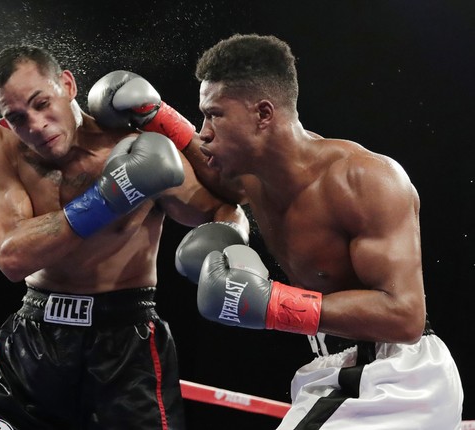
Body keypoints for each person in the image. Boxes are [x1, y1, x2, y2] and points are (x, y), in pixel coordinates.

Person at [175, 33, 464, 429]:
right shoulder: (252, 178)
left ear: (263, 114)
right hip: (334, 368)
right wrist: (155, 114)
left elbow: (406, 316)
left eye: (215, 115)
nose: (203, 131)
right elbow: (203, 163)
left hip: (396, 376)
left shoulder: (365, 180)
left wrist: (273, 304)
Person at [0, 45, 249, 430]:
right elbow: (12, 258)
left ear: (67, 84)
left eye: (41, 102)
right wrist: (109, 198)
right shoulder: (3, 148)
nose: (36, 124)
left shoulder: (132, 144)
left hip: (125, 345)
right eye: (17, 117)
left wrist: (230, 241)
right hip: (36, 335)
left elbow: (227, 202)